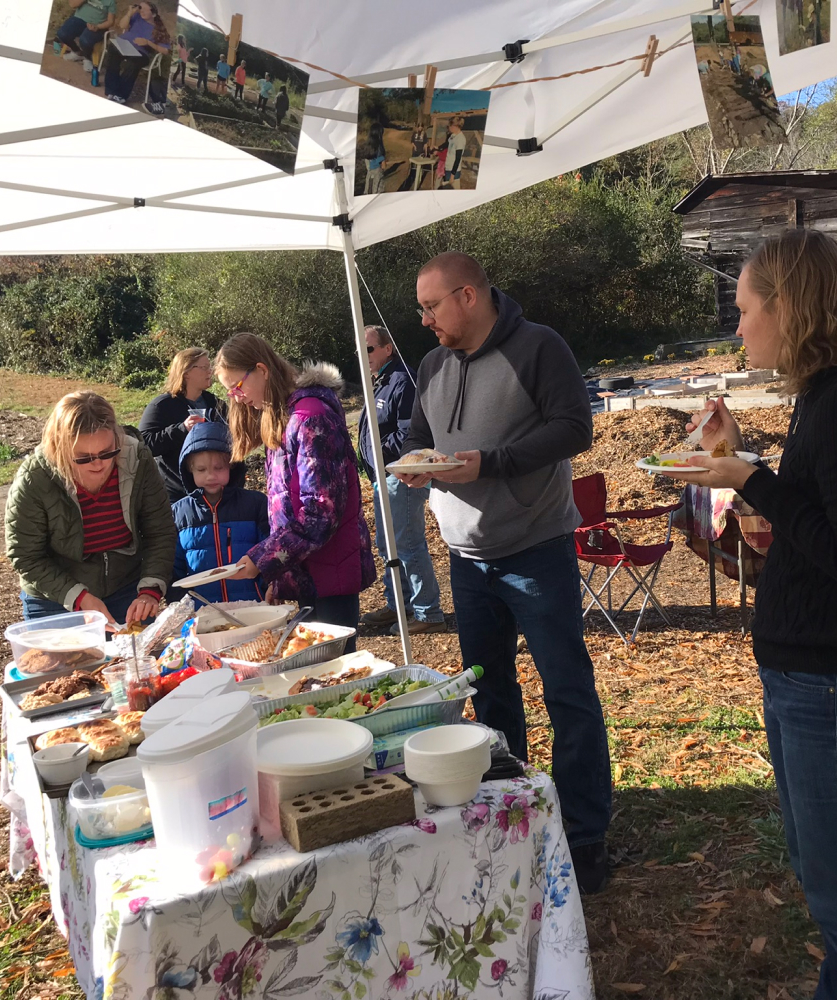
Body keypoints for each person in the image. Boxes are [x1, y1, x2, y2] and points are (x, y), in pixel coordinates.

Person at [671, 229, 837, 1000]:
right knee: (831, 887)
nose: (737, 325)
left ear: (789, 307)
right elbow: (823, 532)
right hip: (809, 682)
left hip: (835, 689)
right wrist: (743, 473)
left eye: (745, 310)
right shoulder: (827, 398)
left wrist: (750, 478)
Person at [393, 252, 612, 894]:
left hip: (536, 548)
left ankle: (586, 835)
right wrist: (415, 465)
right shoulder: (431, 365)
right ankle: (511, 820)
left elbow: (576, 429)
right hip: (467, 559)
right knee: (490, 698)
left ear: (468, 296)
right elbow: (420, 439)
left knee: (566, 690)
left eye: (432, 305)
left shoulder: (539, 348)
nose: (424, 318)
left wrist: (489, 463)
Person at [216, 333, 376, 652]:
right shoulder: (282, 415)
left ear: (262, 370)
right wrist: (281, 575)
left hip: (330, 575)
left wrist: (265, 560)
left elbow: (320, 512)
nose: (236, 398)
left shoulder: (310, 417)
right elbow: (284, 506)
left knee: (334, 674)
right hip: (305, 572)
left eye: (237, 387)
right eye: (228, 391)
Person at [5, 391, 175, 627]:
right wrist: (77, 597)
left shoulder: (137, 459)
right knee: (61, 664)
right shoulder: (35, 478)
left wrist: (150, 589)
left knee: (133, 663)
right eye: (83, 458)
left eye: (108, 452)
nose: (99, 464)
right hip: (54, 598)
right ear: (59, 449)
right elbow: (25, 556)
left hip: (124, 587)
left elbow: (161, 531)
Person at [357, 325, 446, 635]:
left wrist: (378, 453)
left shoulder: (401, 380)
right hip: (381, 475)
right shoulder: (379, 380)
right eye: (359, 349)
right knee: (387, 545)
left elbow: (410, 433)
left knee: (407, 544)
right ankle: (398, 604)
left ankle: (428, 612)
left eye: (368, 348)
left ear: (387, 349)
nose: (362, 355)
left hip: (402, 474)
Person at [171, 421, 270, 606]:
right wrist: (179, 606)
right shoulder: (178, 512)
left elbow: (270, 550)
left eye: (219, 468)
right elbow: (173, 569)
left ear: (232, 466)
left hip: (253, 606)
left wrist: (272, 585)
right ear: (189, 470)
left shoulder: (255, 504)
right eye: (201, 469)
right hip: (203, 612)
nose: (211, 476)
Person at [139, 347, 243, 503]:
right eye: (204, 367)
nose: (210, 372)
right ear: (186, 372)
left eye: (210, 367)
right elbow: (144, 444)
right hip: (178, 496)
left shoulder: (215, 403)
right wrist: (181, 430)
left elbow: (236, 437)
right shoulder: (162, 406)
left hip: (218, 494)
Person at [102, 1, 170, 105]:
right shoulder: (137, 17)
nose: (141, 11)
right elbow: (122, 25)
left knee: (133, 63)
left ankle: (120, 95)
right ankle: (111, 90)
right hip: (124, 44)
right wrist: (129, 13)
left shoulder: (159, 29)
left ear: (153, 14)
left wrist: (148, 42)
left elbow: (165, 50)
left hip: (141, 52)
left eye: (144, 9)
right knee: (113, 50)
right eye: (140, 8)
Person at [54, 0, 115, 72]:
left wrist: (98, 27)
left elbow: (111, 21)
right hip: (79, 20)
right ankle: (77, 52)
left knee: (85, 40)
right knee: (62, 33)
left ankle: (88, 58)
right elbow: (72, 4)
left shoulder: (110, 2)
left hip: (97, 24)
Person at [439, 120, 467, 190]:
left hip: (453, 170)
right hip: (448, 167)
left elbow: (458, 159)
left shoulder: (460, 139)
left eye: (450, 126)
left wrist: (452, 175)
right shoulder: (453, 135)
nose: (449, 128)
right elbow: (447, 144)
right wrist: (438, 147)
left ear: (456, 126)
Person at [362, 118, 386, 195]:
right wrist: (383, 159)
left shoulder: (368, 145)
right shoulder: (379, 146)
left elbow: (368, 161)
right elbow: (379, 165)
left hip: (369, 175)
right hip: (377, 175)